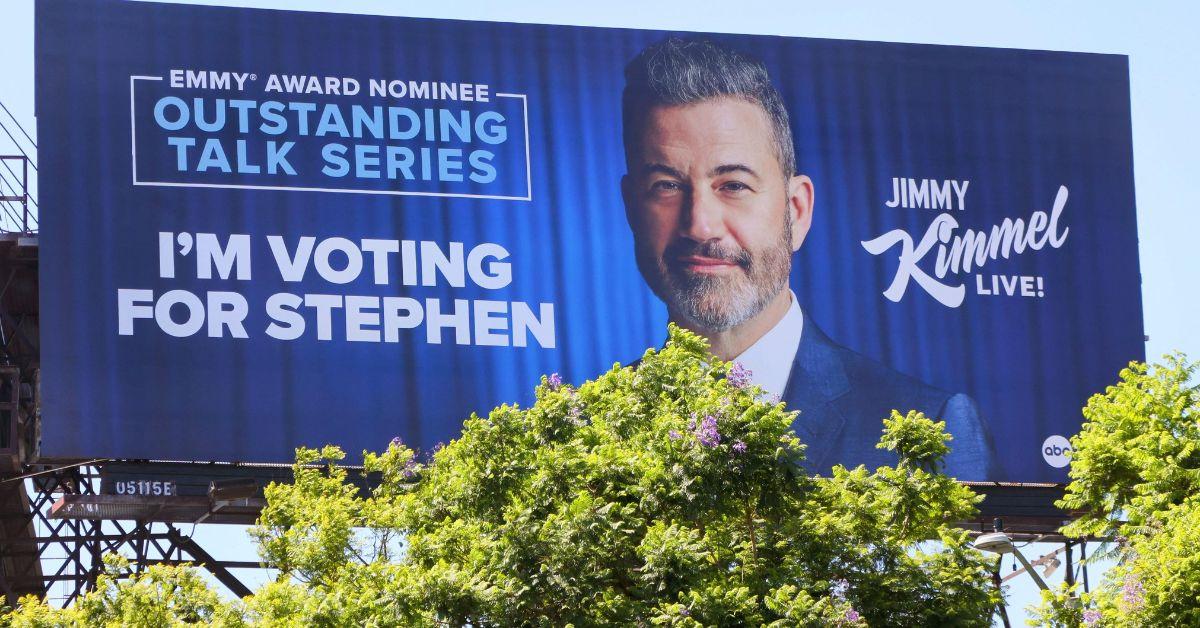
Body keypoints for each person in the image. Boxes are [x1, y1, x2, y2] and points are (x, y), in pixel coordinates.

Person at [620, 37, 997, 479]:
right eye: (666, 185)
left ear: (796, 211)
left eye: (734, 185)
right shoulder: (580, 436)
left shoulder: (933, 432)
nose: (701, 225)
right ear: (630, 208)